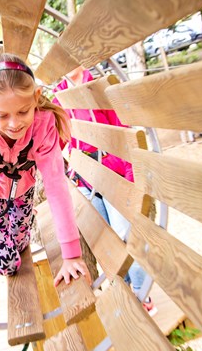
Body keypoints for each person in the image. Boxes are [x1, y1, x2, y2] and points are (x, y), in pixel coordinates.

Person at [0, 53, 92, 296]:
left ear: (36, 98)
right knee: (7, 264)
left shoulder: (43, 127)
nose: (14, 124)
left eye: (23, 112)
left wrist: (72, 255)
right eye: (2, 115)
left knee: (21, 243)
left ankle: (11, 225)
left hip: (23, 187)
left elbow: (56, 189)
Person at [53, 66, 156, 315]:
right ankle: (123, 289)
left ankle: (142, 291)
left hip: (112, 170)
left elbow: (123, 134)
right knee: (103, 239)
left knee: (124, 232)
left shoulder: (98, 88)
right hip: (84, 176)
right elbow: (60, 139)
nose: (70, 63)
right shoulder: (60, 96)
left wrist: (130, 180)